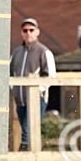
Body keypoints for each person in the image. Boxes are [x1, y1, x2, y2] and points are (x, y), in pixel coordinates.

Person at [10, 18, 56, 150]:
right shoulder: (16, 53)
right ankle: (32, 152)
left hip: (37, 99)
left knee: (28, 129)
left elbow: (51, 75)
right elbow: (11, 73)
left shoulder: (44, 51)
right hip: (20, 100)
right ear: (21, 33)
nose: (28, 33)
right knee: (26, 129)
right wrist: (14, 90)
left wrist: (37, 90)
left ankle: (25, 153)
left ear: (37, 32)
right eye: (25, 30)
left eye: (31, 30)